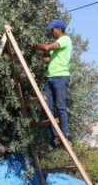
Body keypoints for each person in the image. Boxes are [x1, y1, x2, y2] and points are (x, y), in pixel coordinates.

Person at [33, 19, 72, 147]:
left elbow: (47, 47)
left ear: (59, 29)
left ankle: (65, 134)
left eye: (53, 29)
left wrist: (35, 46)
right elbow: (50, 60)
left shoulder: (65, 40)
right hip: (50, 77)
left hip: (60, 77)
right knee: (49, 108)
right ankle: (55, 136)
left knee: (61, 106)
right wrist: (36, 57)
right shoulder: (57, 45)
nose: (51, 31)